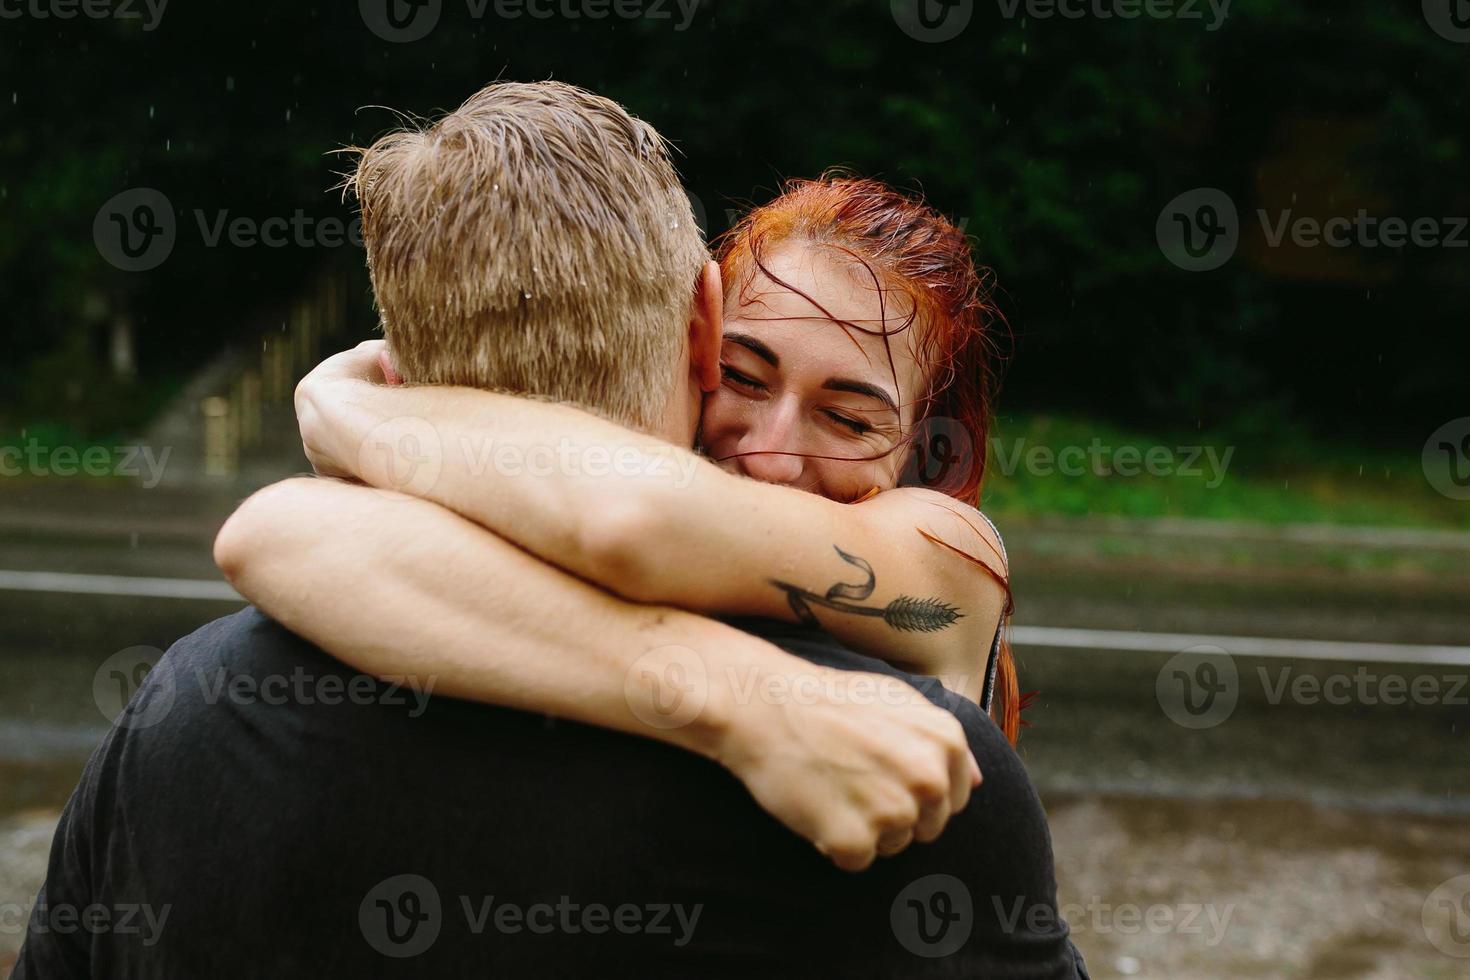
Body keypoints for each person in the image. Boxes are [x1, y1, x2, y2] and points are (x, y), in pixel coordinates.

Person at [15, 80, 1084, 977]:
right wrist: (732, 695)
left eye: (852, 416)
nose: (770, 450)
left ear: (928, 458)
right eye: (742, 380)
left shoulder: (944, 562)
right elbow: (274, 534)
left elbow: (623, 513)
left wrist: (354, 404)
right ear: (699, 336)